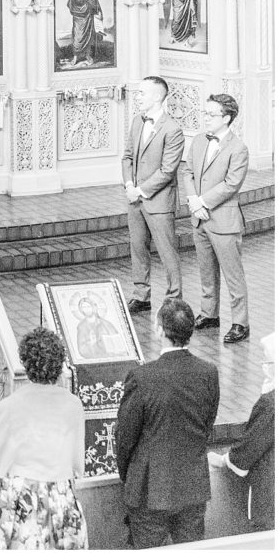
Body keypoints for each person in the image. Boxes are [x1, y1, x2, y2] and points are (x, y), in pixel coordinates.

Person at [115, 298, 219, 548]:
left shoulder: (141, 377)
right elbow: (207, 425)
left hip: (149, 490)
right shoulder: (208, 372)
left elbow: (125, 437)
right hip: (192, 486)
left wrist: (127, 475)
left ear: (160, 330)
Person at [0, 328, 88, 549]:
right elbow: (77, 463)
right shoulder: (73, 404)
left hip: (22, 499)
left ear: (26, 364)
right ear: (59, 366)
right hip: (61, 495)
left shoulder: (9, 406)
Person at [180, 93, 250, 344]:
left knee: (233, 275)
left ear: (227, 117)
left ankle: (241, 322)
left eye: (212, 114)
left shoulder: (238, 148)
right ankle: (210, 314)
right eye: (205, 113)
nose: (206, 118)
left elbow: (231, 184)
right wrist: (193, 201)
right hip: (199, 217)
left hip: (223, 220)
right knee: (206, 271)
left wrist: (203, 201)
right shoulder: (199, 140)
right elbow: (187, 171)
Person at [120, 76, 183, 314]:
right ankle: (141, 295)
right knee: (138, 248)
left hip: (158, 201)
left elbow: (167, 170)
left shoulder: (172, 129)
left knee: (167, 252)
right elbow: (127, 157)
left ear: (157, 96)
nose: (137, 97)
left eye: (142, 93)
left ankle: (174, 299)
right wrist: (128, 184)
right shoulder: (137, 121)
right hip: (134, 199)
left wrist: (140, 190)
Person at [207, 332, 274, 531]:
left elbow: (250, 448)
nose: (264, 365)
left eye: (267, 360)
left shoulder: (270, 403)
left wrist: (223, 460)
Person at [66, 0, 103, 67]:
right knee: (78, 35)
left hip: (89, 12)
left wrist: (97, 8)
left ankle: (87, 55)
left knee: (89, 35)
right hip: (79, 13)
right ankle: (75, 57)